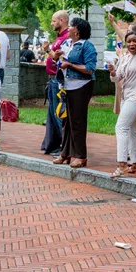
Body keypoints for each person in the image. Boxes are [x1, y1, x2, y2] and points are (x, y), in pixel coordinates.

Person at [108, 13, 136, 177]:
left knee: (121, 126)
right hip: (128, 97)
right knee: (132, 129)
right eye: (129, 42)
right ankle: (135, 164)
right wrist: (113, 72)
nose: (132, 44)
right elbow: (117, 78)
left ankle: (121, 164)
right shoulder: (125, 58)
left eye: (135, 41)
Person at [53, 17, 97, 168]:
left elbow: (90, 69)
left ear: (77, 30)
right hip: (66, 86)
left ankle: (80, 156)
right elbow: (60, 61)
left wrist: (70, 65)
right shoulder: (67, 44)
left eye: (71, 26)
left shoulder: (87, 46)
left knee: (77, 121)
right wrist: (56, 57)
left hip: (81, 86)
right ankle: (65, 153)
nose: (69, 28)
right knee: (67, 121)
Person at [41, 10, 70, 155]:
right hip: (52, 79)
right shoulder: (58, 37)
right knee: (53, 113)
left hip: (58, 80)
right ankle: (52, 143)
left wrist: (47, 51)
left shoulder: (66, 38)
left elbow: (60, 60)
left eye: (53, 20)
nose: (51, 23)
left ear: (62, 20)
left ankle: (64, 146)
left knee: (59, 112)